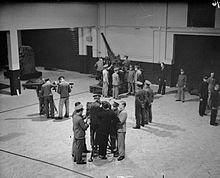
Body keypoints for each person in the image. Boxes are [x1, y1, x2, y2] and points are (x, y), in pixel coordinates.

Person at [87, 94, 102, 162]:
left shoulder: (90, 105)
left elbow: (88, 114)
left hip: (92, 123)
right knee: (98, 136)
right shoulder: (99, 106)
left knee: (92, 135)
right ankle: (96, 146)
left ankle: (93, 146)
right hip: (98, 124)